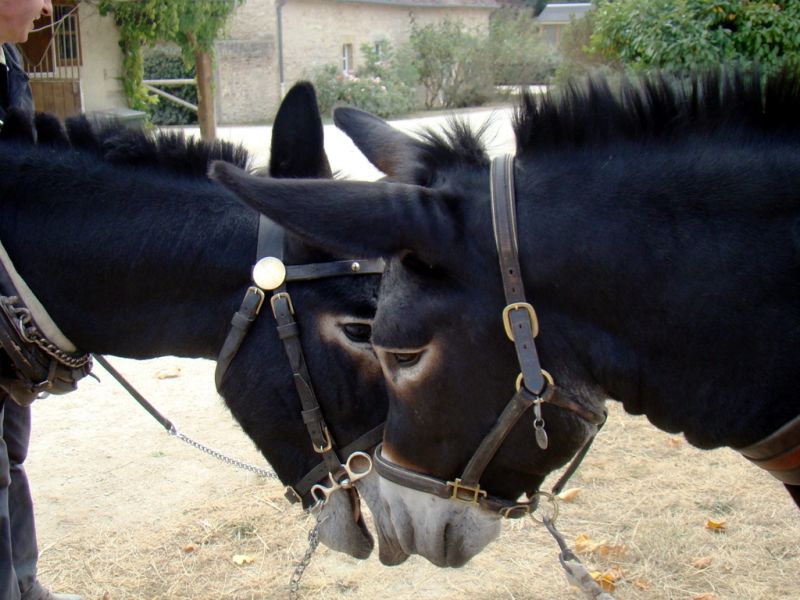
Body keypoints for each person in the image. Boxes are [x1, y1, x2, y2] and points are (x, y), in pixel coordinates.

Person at [1, 3, 82, 599]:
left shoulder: (7, 62)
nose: (49, 6)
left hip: (7, 316)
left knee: (9, 452)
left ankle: (22, 582)